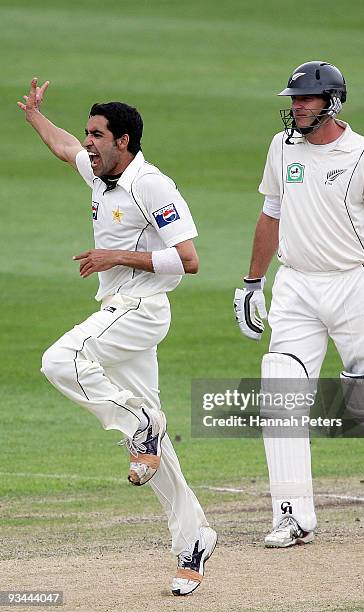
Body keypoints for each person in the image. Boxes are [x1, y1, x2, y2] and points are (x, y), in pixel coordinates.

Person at [18, 78, 216, 595]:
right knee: (158, 454)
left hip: (142, 308)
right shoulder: (98, 174)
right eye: (87, 132)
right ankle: (194, 540)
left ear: (123, 140)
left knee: (60, 360)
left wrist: (115, 256)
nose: (87, 143)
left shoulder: (151, 185)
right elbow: (63, 147)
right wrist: (35, 116)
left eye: (97, 135)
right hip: (120, 309)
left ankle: (137, 422)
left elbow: (190, 260)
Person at [234, 61, 364, 546]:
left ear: (332, 102)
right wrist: (252, 282)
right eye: (293, 100)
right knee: (279, 386)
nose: (296, 107)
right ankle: (291, 514)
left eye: (305, 100)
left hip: (354, 285)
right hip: (297, 284)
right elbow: (271, 214)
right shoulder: (282, 148)